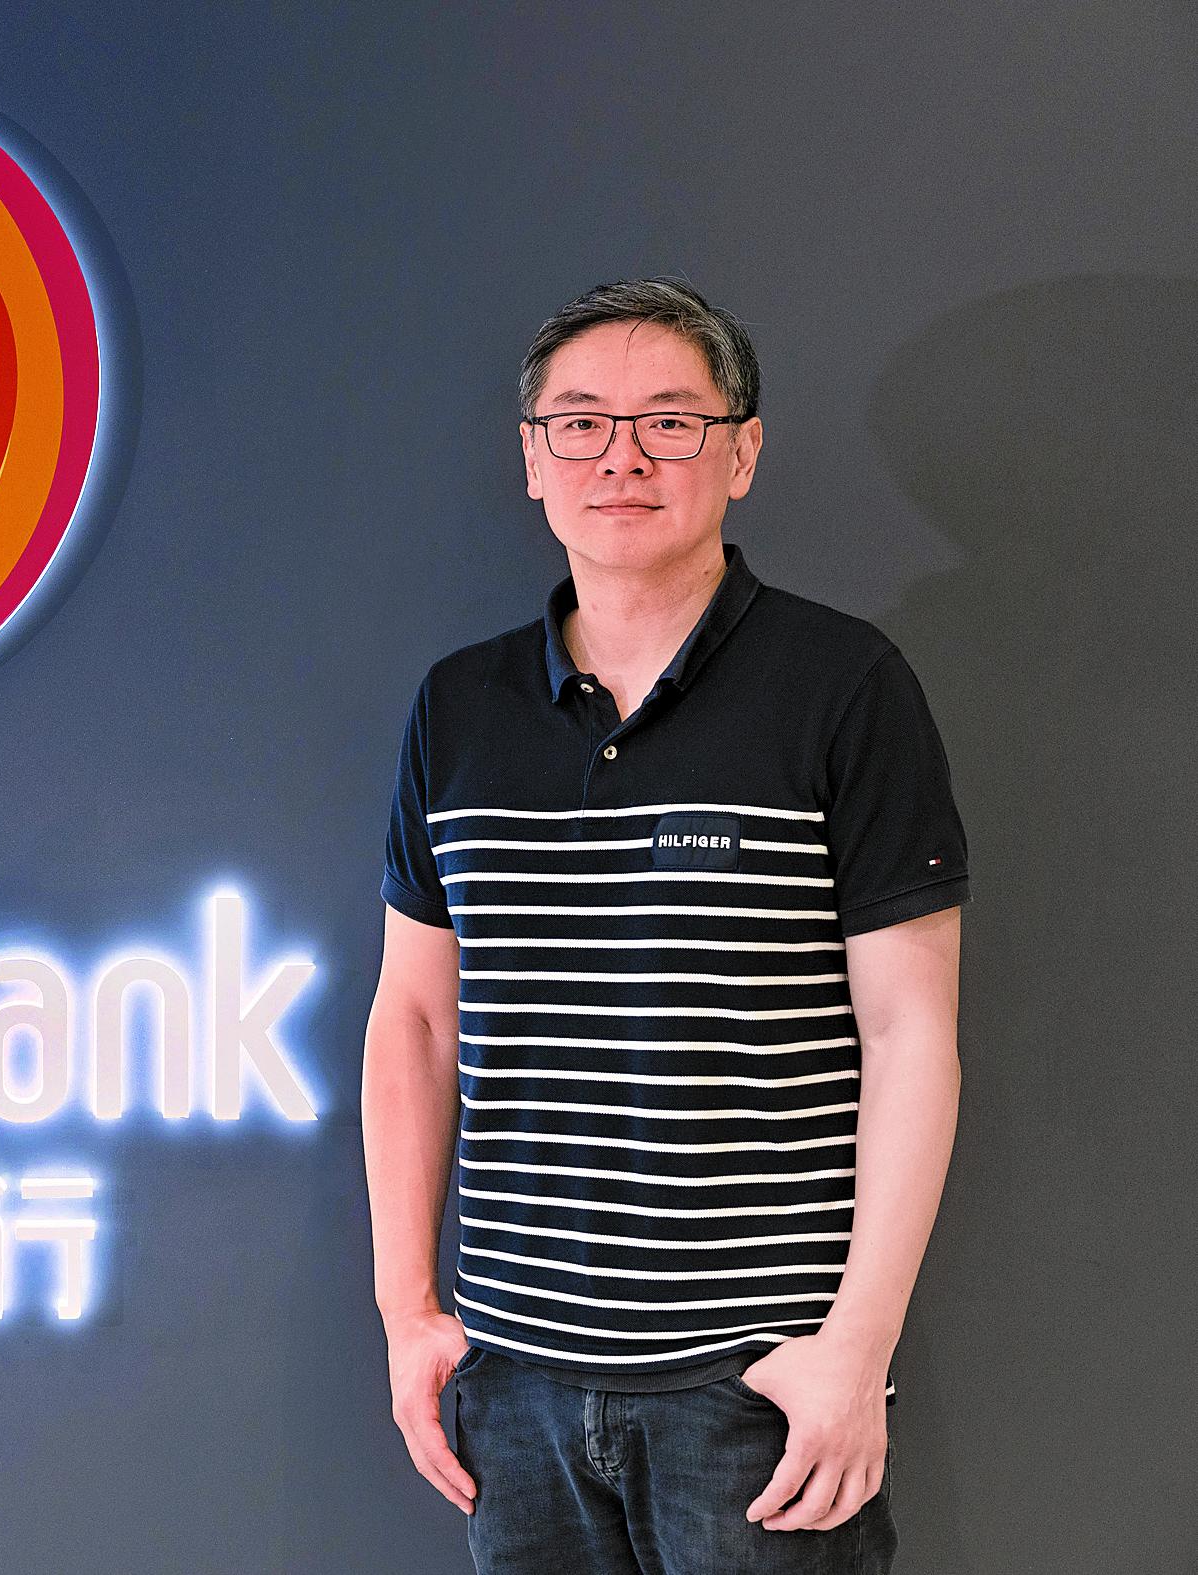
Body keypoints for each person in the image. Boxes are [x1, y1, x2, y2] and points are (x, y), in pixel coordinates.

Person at [363, 277, 968, 1573]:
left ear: (740, 453)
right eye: (580, 423)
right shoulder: (458, 708)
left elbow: (910, 1032)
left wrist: (855, 1348)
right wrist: (407, 1311)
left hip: (753, 1383)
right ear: (533, 460)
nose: (621, 457)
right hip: (513, 1381)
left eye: (670, 422)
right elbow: (412, 1018)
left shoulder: (842, 685)